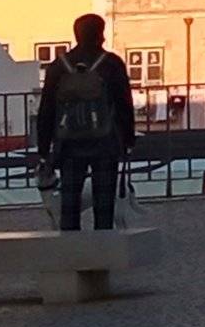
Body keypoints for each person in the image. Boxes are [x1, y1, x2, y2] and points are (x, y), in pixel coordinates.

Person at [37, 13, 135, 230]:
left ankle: (72, 253)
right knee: (104, 205)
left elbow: (46, 109)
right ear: (101, 34)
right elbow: (124, 105)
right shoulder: (111, 64)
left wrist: (44, 149)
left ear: (76, 35)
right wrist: (128, 139)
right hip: (105, 143)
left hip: (68, 144)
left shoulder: (59, 66)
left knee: (69, 205)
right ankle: (102, 251)